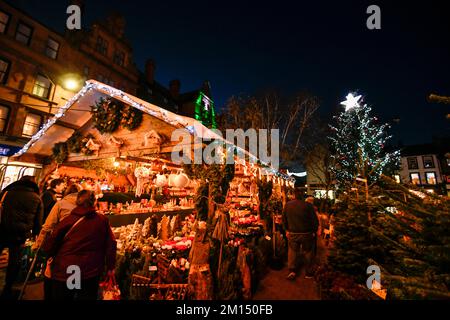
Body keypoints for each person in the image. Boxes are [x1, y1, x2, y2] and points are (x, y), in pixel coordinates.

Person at [41, 190, 116, 300]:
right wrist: (110, 267)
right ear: (94, 202)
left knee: (68, 296)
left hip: (69, 268)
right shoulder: (102, 220)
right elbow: (111, 244)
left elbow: (50, 244)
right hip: (91, 269)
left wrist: (48, 256)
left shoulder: (68, 221)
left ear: (77, 202)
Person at [33, 183, 80, 300]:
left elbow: (48, 226)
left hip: (60, 246)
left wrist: (38, 244)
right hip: (78, 248)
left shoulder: (61, 204)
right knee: (74, 276)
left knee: (53, 275)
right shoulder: (86, 208)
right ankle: (72, 293)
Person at [0, 175, 43, 299]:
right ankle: (8, 289)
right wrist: (35, 235)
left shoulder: (7, 193)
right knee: (14, 261)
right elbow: (38, 222)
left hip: (1, 229)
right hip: (19, 234)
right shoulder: (36, 198)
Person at [282, 188, 319, 281]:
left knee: (292, 251)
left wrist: (286, 230)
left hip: (293, 232)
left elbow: (284, 219)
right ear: (303, 196)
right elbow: (314, 220)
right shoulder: (308, 206)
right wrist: (314, 231)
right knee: (308, 252)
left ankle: (292, 271)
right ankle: (309, 273)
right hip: (307, 233)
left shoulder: (287, 205)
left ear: (294, 195)